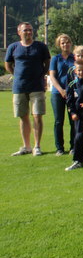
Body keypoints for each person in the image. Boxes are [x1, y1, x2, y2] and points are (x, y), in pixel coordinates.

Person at [5, 22, 51, 157]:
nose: (29, 32)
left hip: (37, 86)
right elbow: (8, 64)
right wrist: (17, 75)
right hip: (19, 87)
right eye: (25, 30)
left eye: (30, 30)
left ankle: (37, 146)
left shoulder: (41, 47)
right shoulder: (13, 47)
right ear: (19, 32)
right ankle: (26, 146)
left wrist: (41, 75)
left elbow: (46, 63)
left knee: (37, 116)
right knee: (23, 116)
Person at [49, 33, 75, 155]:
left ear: (71, 43)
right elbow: (52, 76)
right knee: (59, 121)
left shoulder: (75, 58)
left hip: (72, 93)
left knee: (73, 120)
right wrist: (61, 90)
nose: (65, 44)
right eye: (62, 43)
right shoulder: (55, 58)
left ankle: (73, 146)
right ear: (59, 45)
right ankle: (59, 147)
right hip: (57, 93)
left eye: (67, 42)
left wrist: (69, 91)